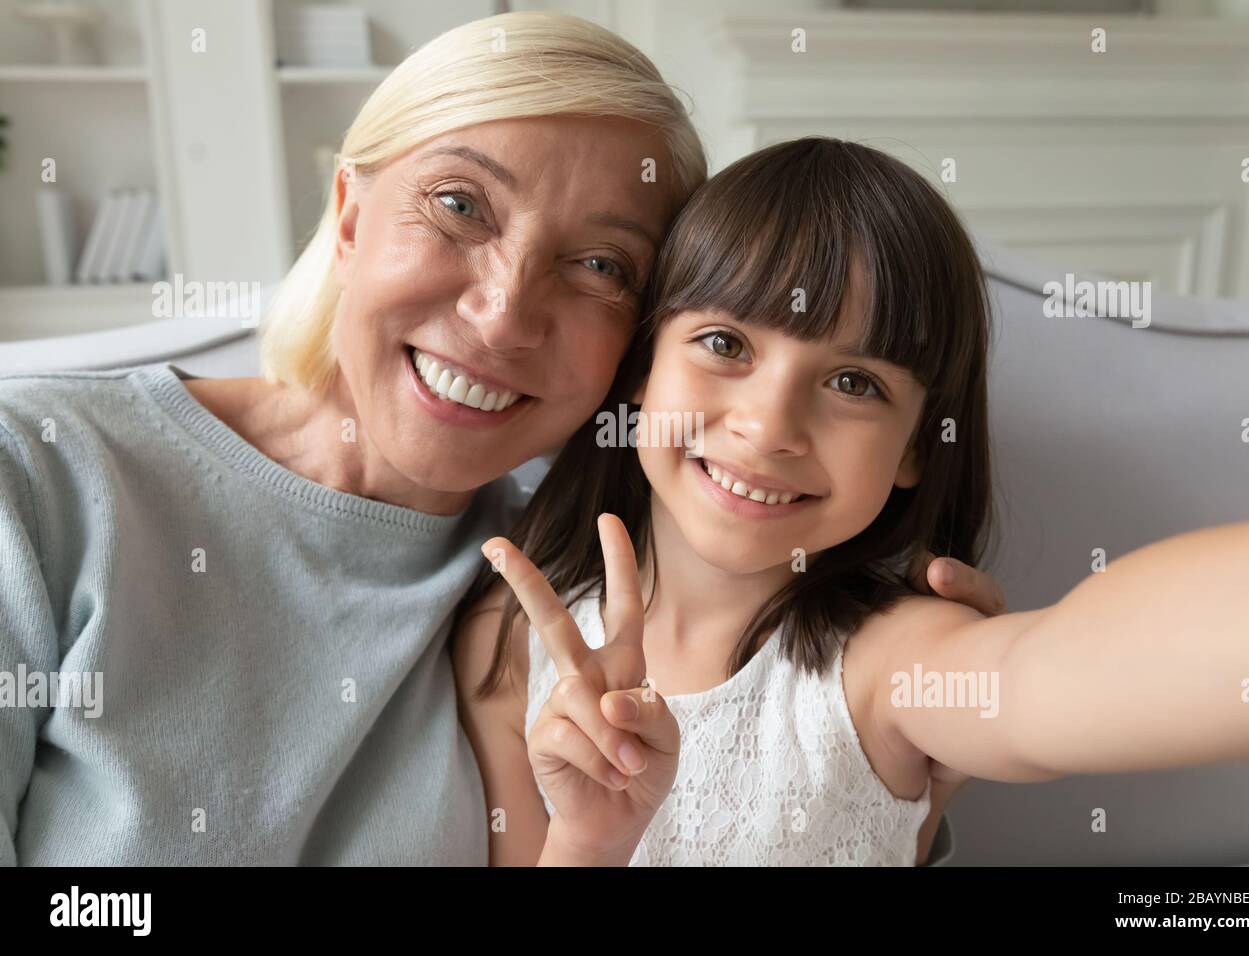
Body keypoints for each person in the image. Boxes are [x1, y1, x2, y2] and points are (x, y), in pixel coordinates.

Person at [0, 13, 997, 866]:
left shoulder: (564, 594)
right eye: (459, 204)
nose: (505, 314)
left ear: (638, 348)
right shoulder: (40, 468)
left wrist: (910, 760)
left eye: (599, 263)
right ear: (349, 216)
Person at [452, 138, 1249, 866]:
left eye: (853, 382)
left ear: (915, 451)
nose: (769, 425)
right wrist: (589, 844)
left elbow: (1052, 675)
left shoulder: (891, 663)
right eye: (724, 343)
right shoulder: (511, 639)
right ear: (642, 371)